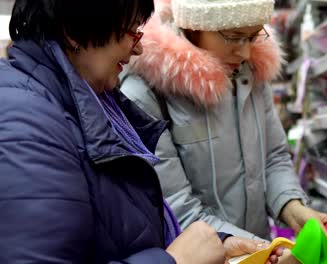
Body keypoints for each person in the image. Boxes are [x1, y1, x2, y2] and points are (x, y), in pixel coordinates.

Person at [0, 0, 282, 263]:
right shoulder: (27, 126)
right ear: (74, 31)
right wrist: (176, 261)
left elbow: (119, 230)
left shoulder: (88, 102)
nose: (138, 49)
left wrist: (218, 244)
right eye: (130, 32)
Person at [121, 0, 327, 243]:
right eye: (234, 36)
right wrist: (263, 252)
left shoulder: (250, 73)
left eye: (253, 36)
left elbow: (273, 157)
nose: (246, 52)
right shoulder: (146, 95)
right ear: (195, 26)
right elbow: (175, 206)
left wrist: (293, 208)